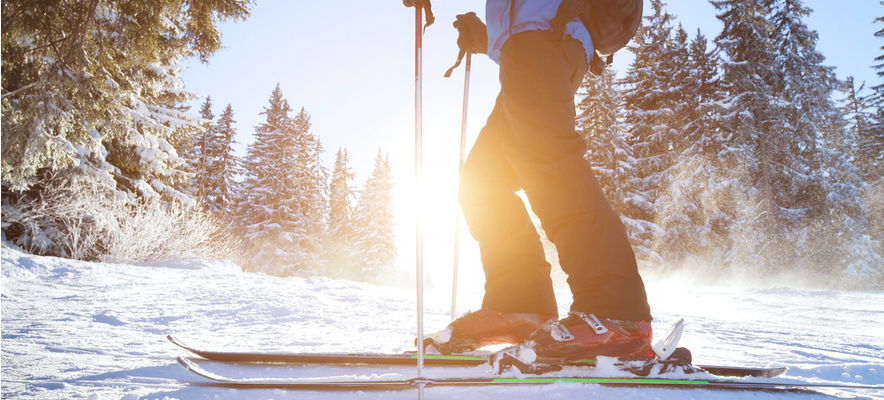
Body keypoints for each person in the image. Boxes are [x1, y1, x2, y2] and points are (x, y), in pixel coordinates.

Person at [428, 0, 654, 363]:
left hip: (546, 37)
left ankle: (617, 312)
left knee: (548, 161)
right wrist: (488, 37)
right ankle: (519, 303)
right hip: (531, 42)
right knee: (482, 181)